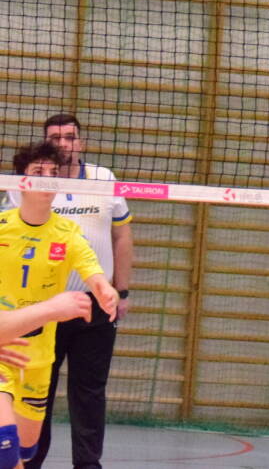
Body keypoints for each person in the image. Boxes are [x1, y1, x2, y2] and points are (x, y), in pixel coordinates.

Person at [11, 116, 132, 469]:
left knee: (89, 392)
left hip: (90, 308)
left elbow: (116, 240)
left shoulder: (101, 181)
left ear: (81, 141)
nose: (63, 143)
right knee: (35, 392)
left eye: (70, 137)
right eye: (55, 138)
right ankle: (28, 462)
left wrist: (117, 290)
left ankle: (87, 465)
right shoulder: (21, 193)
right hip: (39, 307)